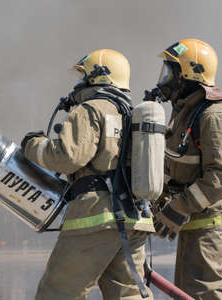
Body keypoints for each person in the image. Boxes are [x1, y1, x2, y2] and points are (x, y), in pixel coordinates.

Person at [21, 49, 155, 300]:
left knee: (57, 293)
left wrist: (32, 144)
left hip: (96, 218)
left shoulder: (91, 109)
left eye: (84, 76)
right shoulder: (131, 113)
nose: (79, 83)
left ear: (98, 76)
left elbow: (67, 158)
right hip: (133, 218)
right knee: (127, 295)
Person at [151, 39, 222, 300]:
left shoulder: (212, 115)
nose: (165, 79)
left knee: (202, 293)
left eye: (170, 72)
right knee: (186, 291)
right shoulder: (185, 112)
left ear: (188, 74)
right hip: (194, 217)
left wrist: (179, 207)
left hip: (210, 222)